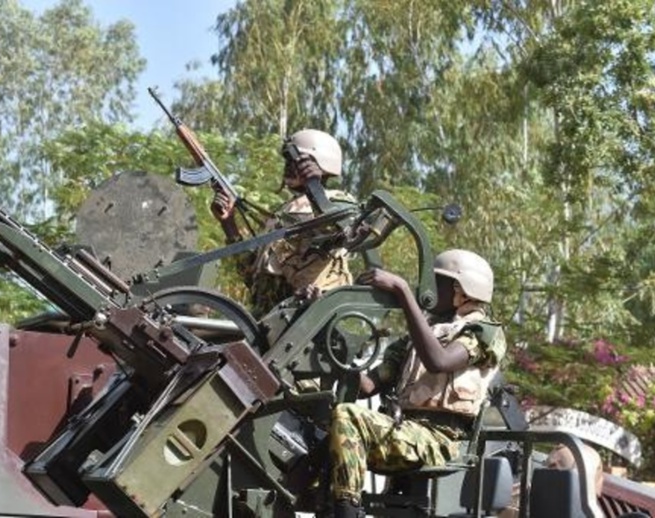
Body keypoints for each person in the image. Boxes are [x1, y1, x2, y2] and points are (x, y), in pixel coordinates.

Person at [327, 249, 507, 518]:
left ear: (462, 291)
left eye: (436, 283)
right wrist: (332, 341)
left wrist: (402, 291)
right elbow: (367, 386)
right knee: (325, 421)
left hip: (441, 440)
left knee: (347, 415)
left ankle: (346, 512)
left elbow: (439, 361)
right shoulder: (417, 336)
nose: (427, 290)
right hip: (405, 432)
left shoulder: (484, 332)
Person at [210, 129, 357, 316]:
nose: (289, 166)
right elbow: (252, 276)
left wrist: (314, 186)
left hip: (309, 317)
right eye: (287, 160)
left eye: (296, 159)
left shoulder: (338, 200)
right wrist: (228, 222)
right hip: (270, 319)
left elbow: (342, 230)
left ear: (321, 163)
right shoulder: (283, 212)